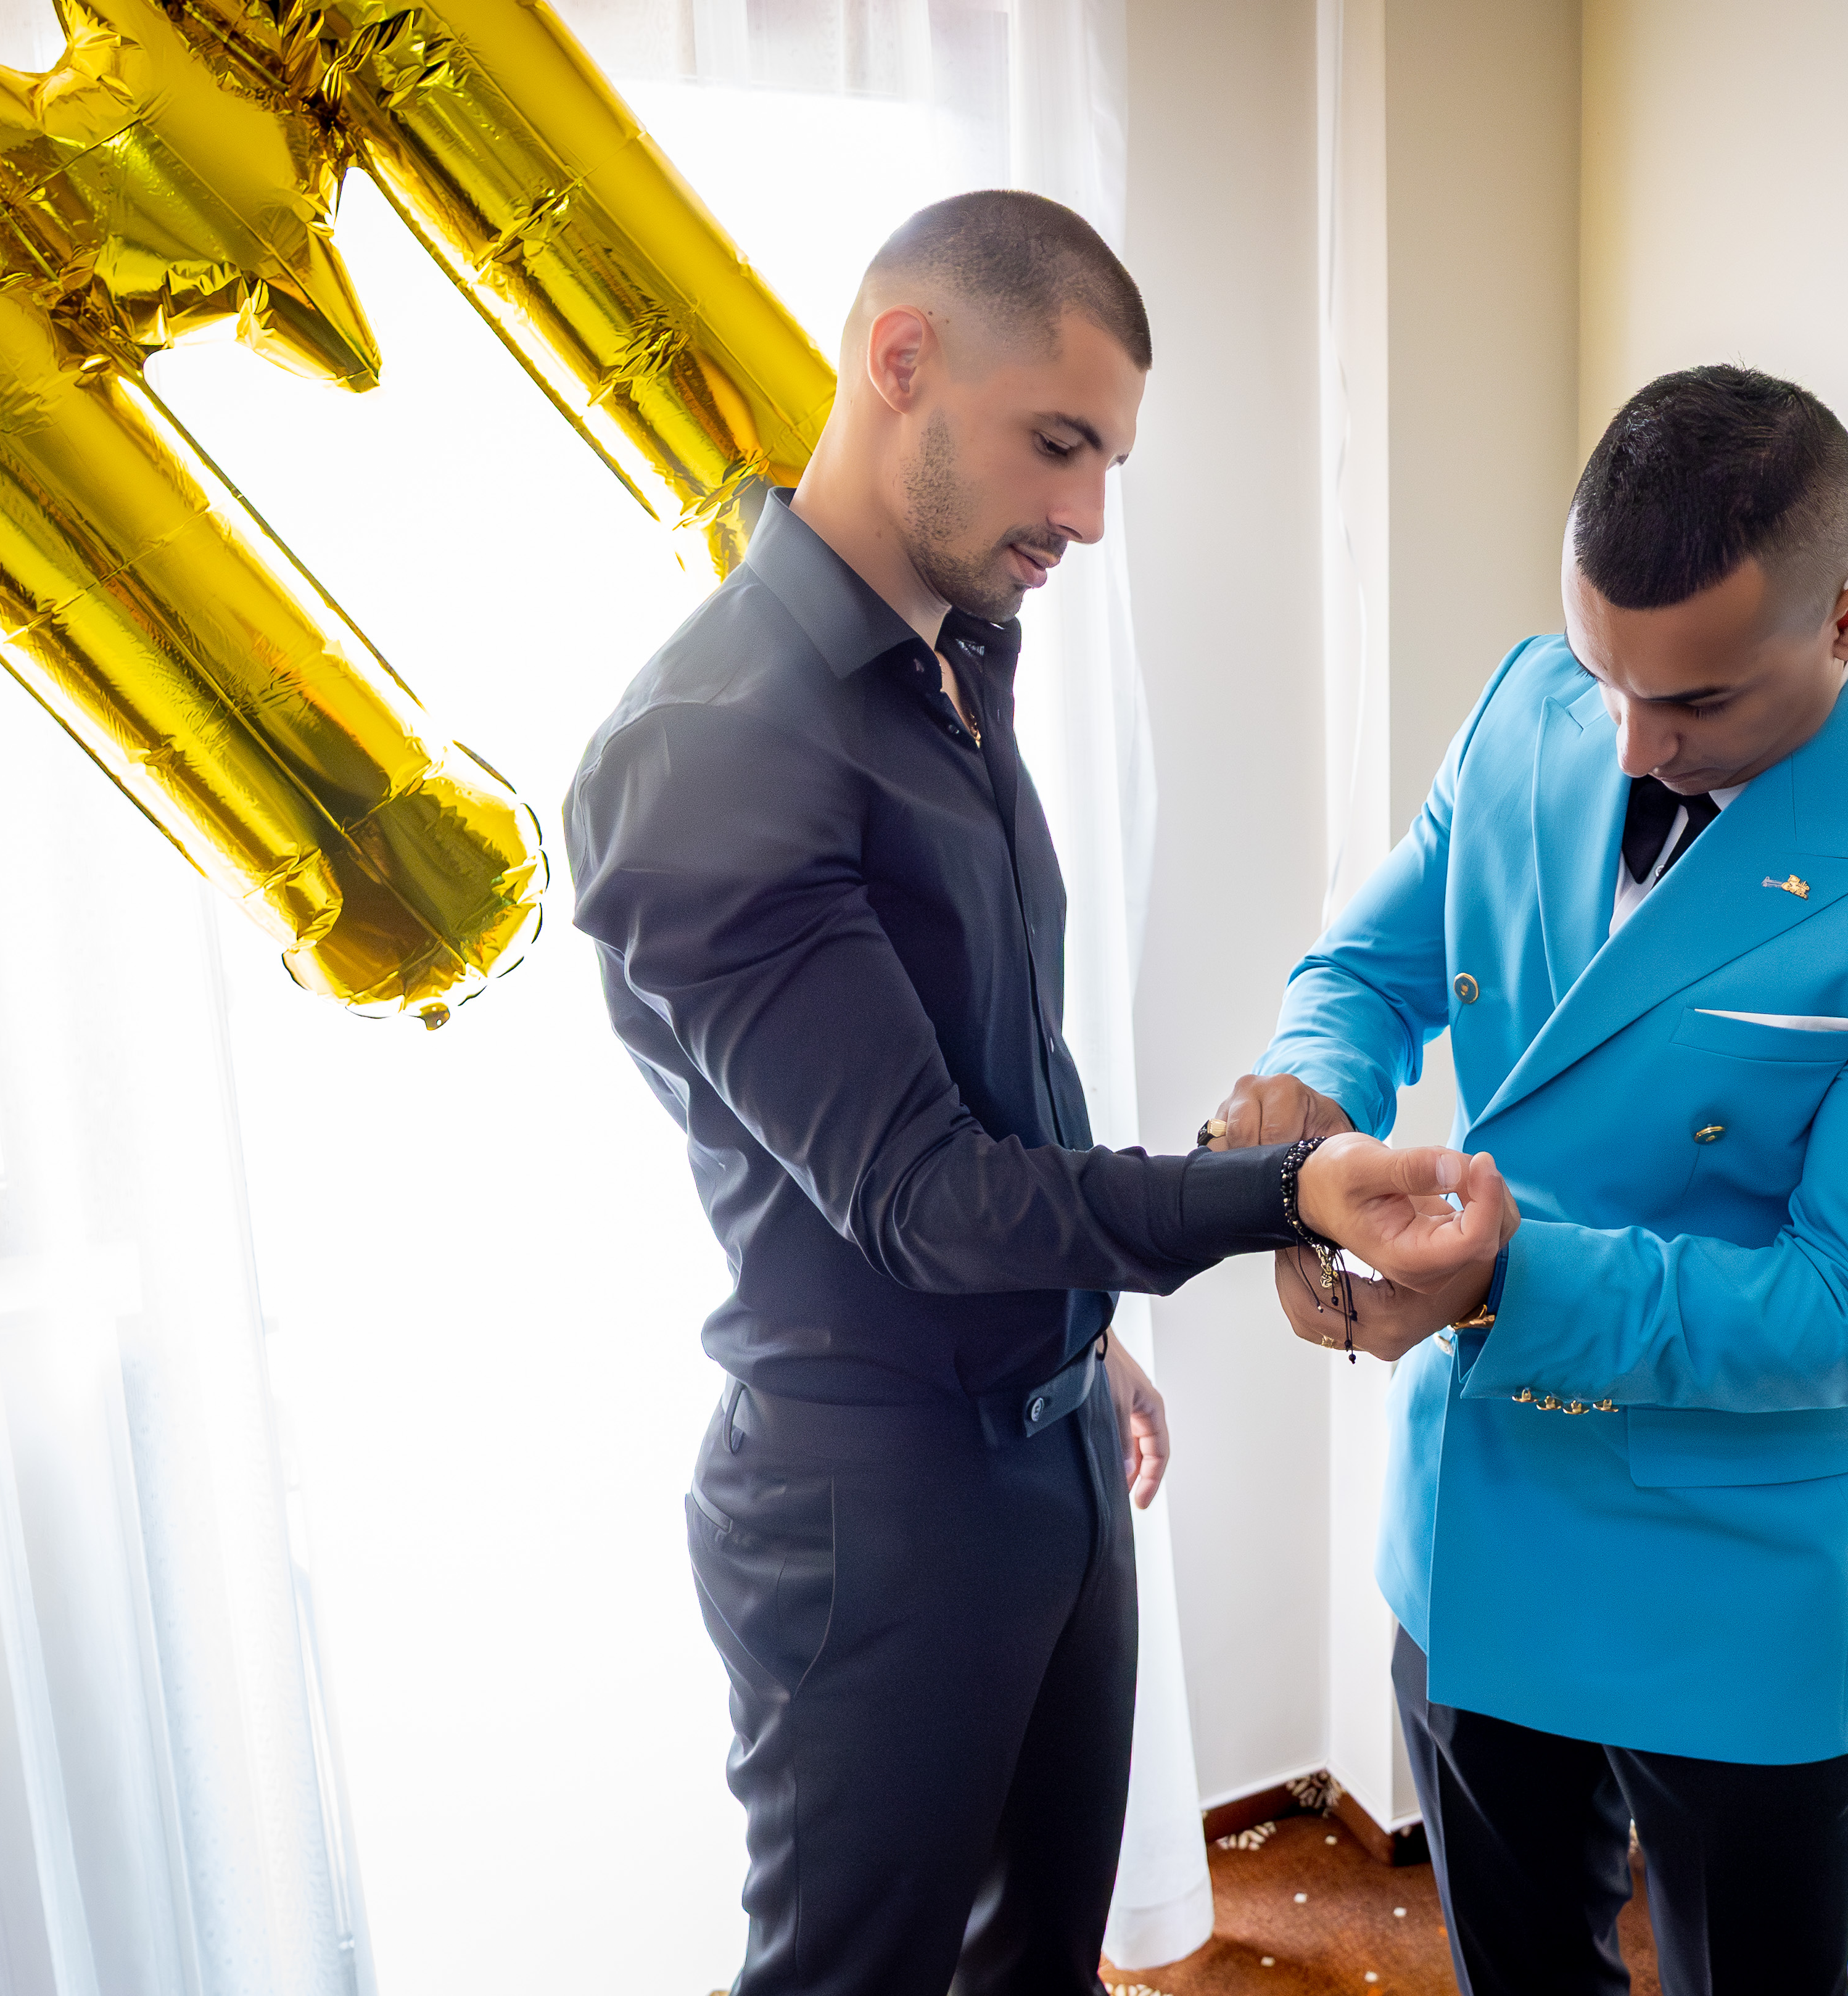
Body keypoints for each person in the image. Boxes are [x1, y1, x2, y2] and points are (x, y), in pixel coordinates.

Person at [566, 190, 1508, 1996]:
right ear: (900, 360)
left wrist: (1089, 1329)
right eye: (1058, 444)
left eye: (1110, 462)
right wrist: (1284, 1189)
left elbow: (1008, 1062)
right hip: (873, 1508)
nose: (1087, 514)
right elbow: (925, 1193)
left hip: (1056, 1441)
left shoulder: (962, 653)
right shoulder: (710, 750)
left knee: (1042, 1965)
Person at [1212, 365, 1848, 1995]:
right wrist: (1309, 1105)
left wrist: (1497, 1281)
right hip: (1477, 1510)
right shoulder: (1529, 703)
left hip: (1731, 1571)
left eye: (1693, 701)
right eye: (1599, 670)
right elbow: (1365, 969)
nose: (1626, 740)